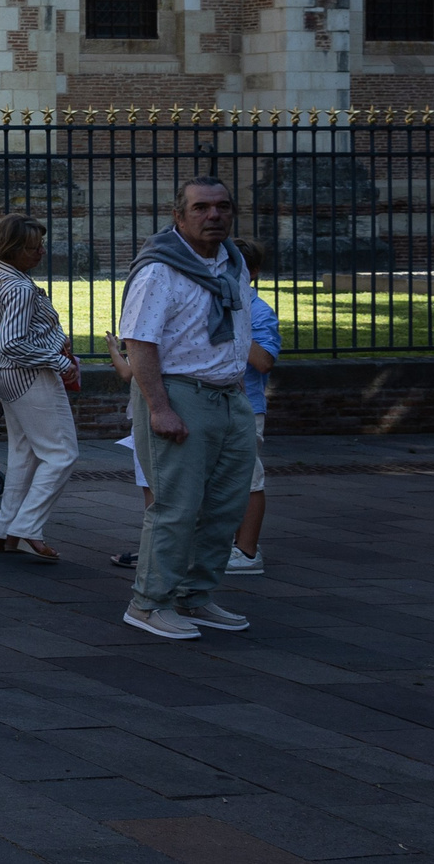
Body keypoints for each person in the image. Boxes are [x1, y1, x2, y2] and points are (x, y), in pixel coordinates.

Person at [118, 176, 258, 641]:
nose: (213, 215)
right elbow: (138, 341)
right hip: (179, 395)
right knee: (176, 507)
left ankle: (194, 596)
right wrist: (159, 407)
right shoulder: (160, 269)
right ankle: (149, 603)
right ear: (178, 217)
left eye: (222, 206)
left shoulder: (232, 263)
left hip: (229, 396)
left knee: (224, 506)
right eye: (200, 208)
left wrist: (234, 383)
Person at [0, 213, 79, 564]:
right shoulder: (21, 287)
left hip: (9, 377)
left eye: (40, 244)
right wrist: (60, 362)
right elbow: (12, 343)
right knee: (61, 453)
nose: (40, 252)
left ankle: (6, 529)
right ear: (13, 248)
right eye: (32, 247)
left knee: (24, 454)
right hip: (29, 375)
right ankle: (26, 528)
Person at [233, 242, 280, 575]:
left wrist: (234, 326)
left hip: (246, 406)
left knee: (248, 477)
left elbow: (263, 362)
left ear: (252, 273)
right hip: (214, 401)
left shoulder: (259, 311)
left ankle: (248, 552)